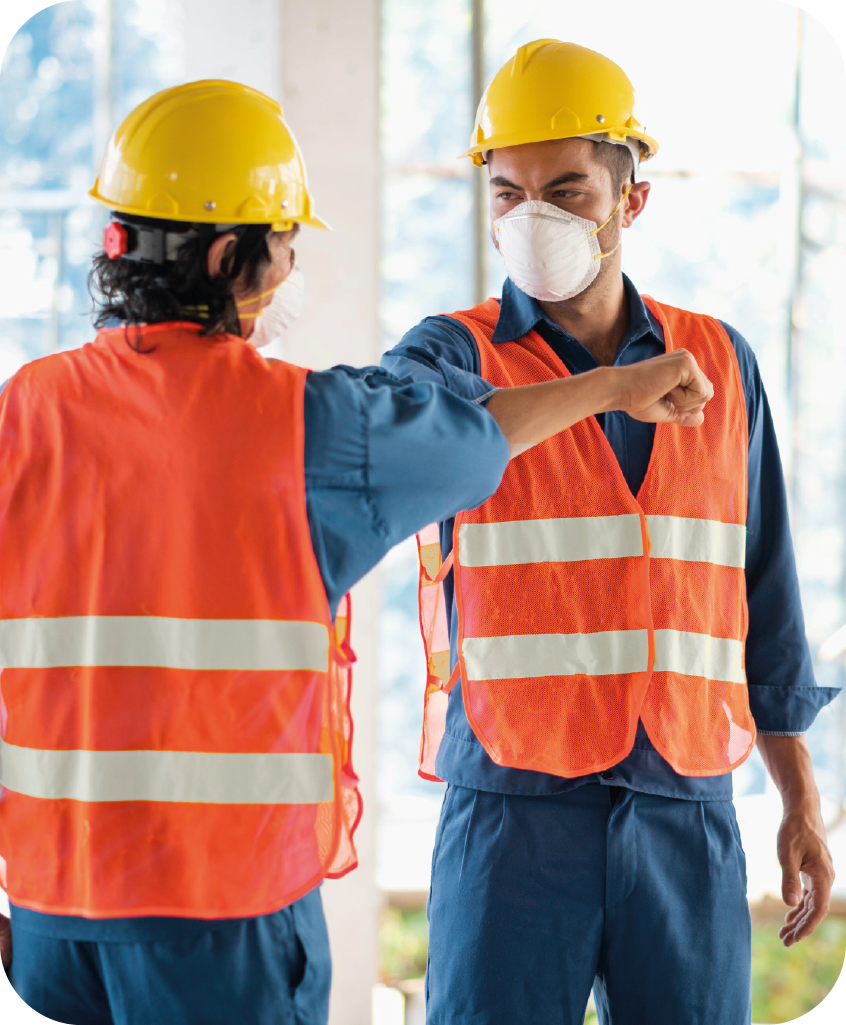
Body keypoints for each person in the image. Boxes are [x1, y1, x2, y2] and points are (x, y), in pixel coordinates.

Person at [0, 79, 712, 1025]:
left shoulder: (25, 407)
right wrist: (614, 388)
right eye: (285, 243)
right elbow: (478, 436)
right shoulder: (309, 425)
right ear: (225, 257)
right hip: (221, 915)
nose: (293, 264)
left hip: (50, 910)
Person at [381, 40, 841, 1025]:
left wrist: (800, 796)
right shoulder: (450, 352)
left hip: (685, 800)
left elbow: (764, 594)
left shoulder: (719, 361)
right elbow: (414, 442)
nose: (531, 217)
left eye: (565, 191)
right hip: (514, 806)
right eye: (506, 193)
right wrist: (610, 389)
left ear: (631, 201)